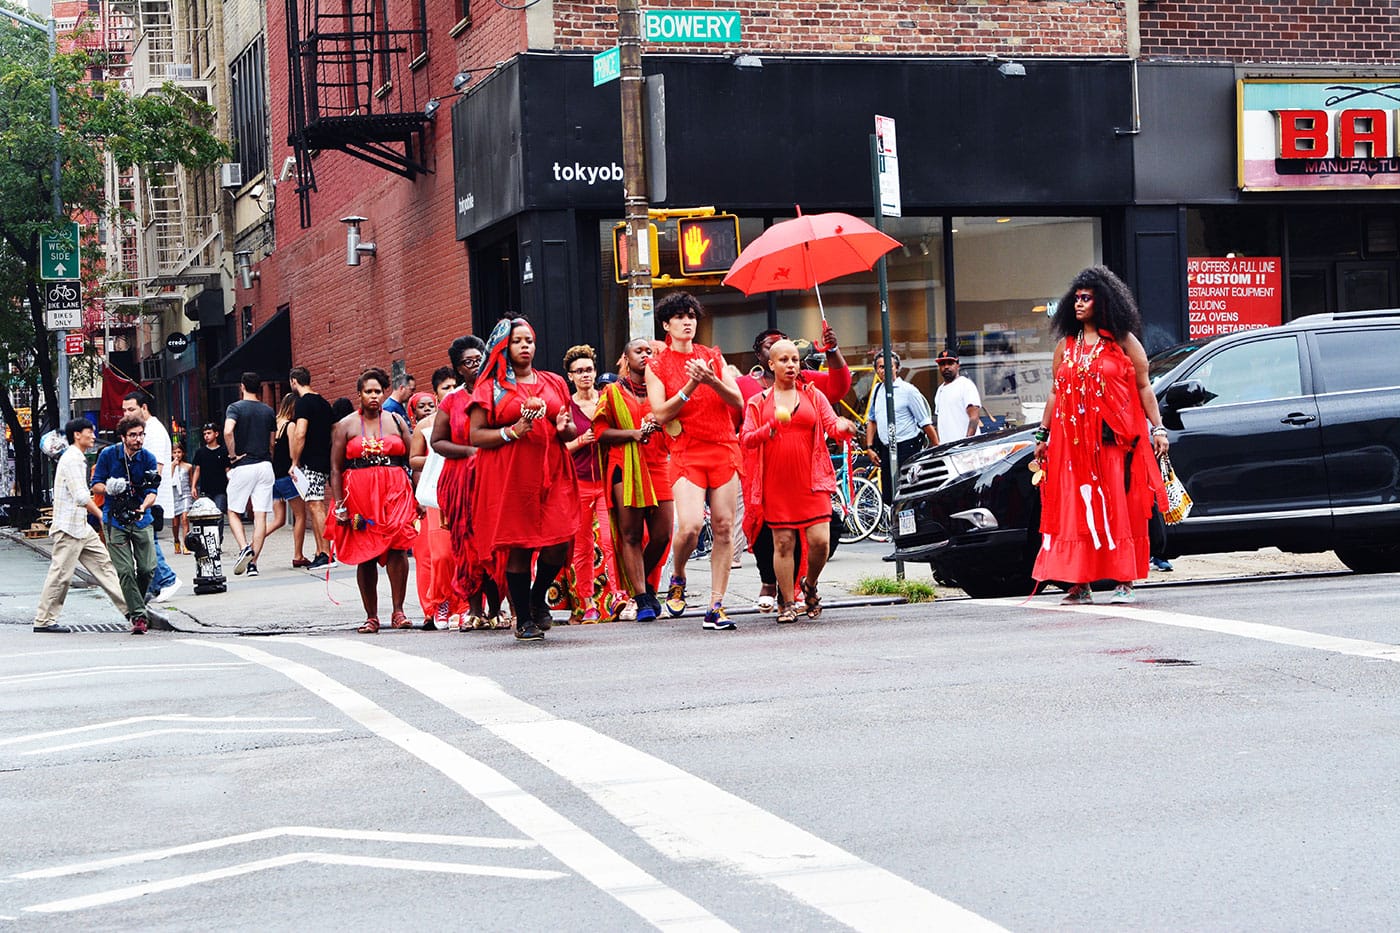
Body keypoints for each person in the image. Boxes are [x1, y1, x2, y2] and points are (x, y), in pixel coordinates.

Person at [1032, 266, 1169, 605]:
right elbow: (1055, 392)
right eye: (1075, 298)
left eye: (1086, 298)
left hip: (1113, 442)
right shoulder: (1066, 345)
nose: (1078, 304)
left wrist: (1158, 427)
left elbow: (1143, 387)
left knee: (1116, 507)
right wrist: (1042, 434)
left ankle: (1124, 580)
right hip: (1071, 444)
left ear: (1102, 302)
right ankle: (1080, 583)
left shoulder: (1123, 341)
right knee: (1076, 510)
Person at [466, 317, 580, 641]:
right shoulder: (490, 387)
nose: (525, 346)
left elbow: (570, 427)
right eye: (517, 341)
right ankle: (525, 619)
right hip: (511, 474)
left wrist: (565, 429)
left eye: (529, 340)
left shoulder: (554, 382)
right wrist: (511, 431)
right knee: (519, 547)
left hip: (553, 468)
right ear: (504, 346)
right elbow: (475, 435)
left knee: (558, 541)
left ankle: (536, 596)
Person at [645, 291, 745, 630]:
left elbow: (738, 401)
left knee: (724, 526)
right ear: (666, 325)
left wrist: (712, 379)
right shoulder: (657, 366)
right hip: (687, 450)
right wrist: (690, 384)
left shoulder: (711, 356)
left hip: (723, 446)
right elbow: (659, 413)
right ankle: (678, 574)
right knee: (690, 526)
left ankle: (716, 605)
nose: (688, 322)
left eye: (692, 316)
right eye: (680, 317)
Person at [738, 323, 853, 612]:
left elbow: (832, 425)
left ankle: (810, 584)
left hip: (813, 480)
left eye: (795, 360)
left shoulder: (813, 395)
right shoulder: (758, 401)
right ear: (770, 364)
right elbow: (746, 439)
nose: (791, 365)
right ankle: (787, 603)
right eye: (784, 360)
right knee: (784, 544)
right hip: (777, 483)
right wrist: (769, 428)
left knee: (820, 542)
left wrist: (844, 427)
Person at [328, 367, 420, 632]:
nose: (373, 396)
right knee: (365, 553)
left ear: (384, 393)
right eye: (368, 391)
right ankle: (371, 616)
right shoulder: (345, 425)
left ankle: (399, 612)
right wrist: (340, 505)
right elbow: (335, 468)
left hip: (395, 492)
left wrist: (418, 494)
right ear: (359, 394)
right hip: (359, 495)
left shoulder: (397, 421)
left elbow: (413, 459)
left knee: (398, 548)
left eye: (378, 391)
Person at [595, 338, 673, 622]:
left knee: (663, 533)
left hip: (657, 464)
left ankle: (646, 587)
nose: (645, 355)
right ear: (626, 358)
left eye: (649, 351)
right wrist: (632, 434)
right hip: (624, 465)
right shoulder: (612, 391)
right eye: (638, 351)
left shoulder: (662, 391)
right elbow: (600, 431)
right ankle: (641, 598)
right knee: (631, 534)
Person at [433, 334, 507, 630]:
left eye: (479, 359)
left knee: (497, 543)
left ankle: (497, 608)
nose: (475, 366)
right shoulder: (452, 401)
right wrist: (471, 450)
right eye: (468, 362)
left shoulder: (498, 393)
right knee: (467, 544)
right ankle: (475, 609)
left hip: (494, 477)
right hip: (462, 478)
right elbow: (438, 441)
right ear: (458, 368)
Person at [33, 419, 129, 633]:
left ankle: (132, 609)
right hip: (68, 528)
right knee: (61, 575)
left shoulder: (76, 457)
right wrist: (102, 516)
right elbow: (81, 496)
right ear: (77, 435)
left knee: (104, 565)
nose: (93, 436)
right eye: (90, 432)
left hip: (80, 526)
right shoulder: (73, 459)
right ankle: (44, 620)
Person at [561, 344, 626, 623]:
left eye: (589, 370)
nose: (585, 375)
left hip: (608, 480)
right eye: (579, 371)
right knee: (582, 546)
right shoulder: (566, 407)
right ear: (570, 376)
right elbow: (557, 451)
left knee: (611, 541)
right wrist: (580, 441)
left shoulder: (607, 399)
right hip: (578, 482)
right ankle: (586, 602)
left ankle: (616, 597)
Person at [91, 415, 163, 634]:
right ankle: (139, 617)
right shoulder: (108, 455)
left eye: (141, 434)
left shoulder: (148, 458)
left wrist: (143, 507)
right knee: (125, 571)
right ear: (123, 437)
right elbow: (96, 486)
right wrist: (111, 487)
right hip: (115, 520)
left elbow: (152, 492)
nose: (138, 439)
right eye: (133, 435)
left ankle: (135, 604)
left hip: (141, 518)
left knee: (148, 568)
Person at [410, 369, 464, 630]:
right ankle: (441, 602)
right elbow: (413, 460)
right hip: (436, 495)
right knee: (441, 555)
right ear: (436, 393)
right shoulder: (425, 425)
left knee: (464, 552)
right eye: (445, 387)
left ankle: (465, 606)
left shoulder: (467, 417)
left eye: (455, 385)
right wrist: (439, 453)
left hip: (464, 491)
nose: (451, 390)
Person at [121, 390, 181, 602]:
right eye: (124, 410)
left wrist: (144, 495)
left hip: (150, 498)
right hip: (146, 498)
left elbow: (155, 469)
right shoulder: (146, 429)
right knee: (145, 541)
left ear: (143, 408)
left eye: (131, 409)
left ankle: (167, 580)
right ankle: (152, 587)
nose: (127, 414)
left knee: (148, 542)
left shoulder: (152, 431)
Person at [865, 352, 938, 506]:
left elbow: (925, 422)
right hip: (886, 448)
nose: (884, 371)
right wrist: (869, 447)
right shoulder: (877, 390)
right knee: (889, 493)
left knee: (909, 491)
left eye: (889, 367)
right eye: (881, 367)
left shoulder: (908, 390)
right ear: (876, 370)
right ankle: (894, 525)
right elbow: (871, 420)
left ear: (896, 368)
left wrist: (936, 447)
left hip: (907, 447)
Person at [223, 371, 277, 577]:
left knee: (233, 511)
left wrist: (232, 454)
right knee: (260, 515)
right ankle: (253, 563)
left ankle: (244, 547)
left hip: (244, 465)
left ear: (242, 387)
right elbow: (272, 442)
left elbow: (228, 431)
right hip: (265, 465)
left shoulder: (235, 408)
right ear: (260, 388)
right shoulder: (268, 411)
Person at [289, 366, 334, 569]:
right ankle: (319, 551)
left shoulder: (303, 403)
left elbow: (300, 433)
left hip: (311, 461)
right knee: (314, 504)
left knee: (315, 505)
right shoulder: (324, 402)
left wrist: (294, 461)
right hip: (324, 458)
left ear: (294, 382)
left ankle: (326, 553)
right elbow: (334, 431)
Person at [266, 393, 309, 567]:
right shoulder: (290, 426)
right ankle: (298, 555)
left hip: (274, 476)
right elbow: (293, 453)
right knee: (300, 515)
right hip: (287, 475)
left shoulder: (275, 423)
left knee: (278, 520)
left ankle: (252, 546)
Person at [190, 422, 230, 543]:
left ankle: (218, 540)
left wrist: (232, 486)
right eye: (204, 434)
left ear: (216, 434)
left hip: (220, 489)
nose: (206, 436)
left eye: (209, 433)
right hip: (206, 490)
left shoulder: (223, 451)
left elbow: (227, 470)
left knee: (218, 515)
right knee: (205, 516)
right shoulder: (200, 452)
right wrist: (193, 486)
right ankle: (208, 541)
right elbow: (197, 470)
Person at [933, 349, 982, 441]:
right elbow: (940, 421)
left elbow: (974, 417)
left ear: (958, 365)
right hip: (947, 447)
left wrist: (967, 442)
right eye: (942, 364)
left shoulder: (965, 385)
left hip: (965, 448)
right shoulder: (940, 390)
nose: (946, 367)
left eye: (950, 363)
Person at [167, 443, 194, 554]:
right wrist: (173, 465)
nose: (177, 454)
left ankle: (186, 545)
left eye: (179, 452)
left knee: (184, 519)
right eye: (174, 452)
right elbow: (167, 479)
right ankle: (176, 541)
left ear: (182, 453)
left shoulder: (188, 466)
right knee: (175, 523)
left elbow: (191, 481)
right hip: (173, 495)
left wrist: (193, 489)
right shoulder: (169, 466)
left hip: (185, 494)